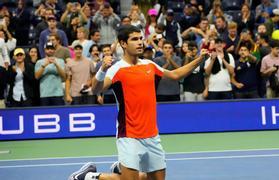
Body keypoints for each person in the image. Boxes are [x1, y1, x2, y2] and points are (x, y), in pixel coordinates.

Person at [69, 25, 208, 180]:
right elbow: (96, 90)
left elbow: (175, 74)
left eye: (141, 38)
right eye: (134, 39)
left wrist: (199, 60)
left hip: (152, 134)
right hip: (129, 135)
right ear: (123, 43)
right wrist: (102, 70)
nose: (140, 42)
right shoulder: (117, 69)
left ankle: (118, 169)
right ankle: (90, 176)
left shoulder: (149, 65)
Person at [35, 42, 66, 106]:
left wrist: (56, 64)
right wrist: (44, 65)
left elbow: (64, 76)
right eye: (48, 49)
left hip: (58, 93)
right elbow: (37, 76)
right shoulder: (39, 62)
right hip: (44, 94)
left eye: (52, 49)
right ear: (45, 50)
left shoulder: (60, 61)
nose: (50, 50)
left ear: (54, 50)